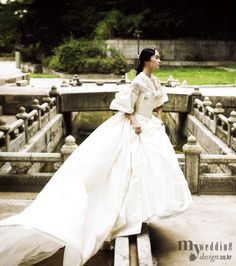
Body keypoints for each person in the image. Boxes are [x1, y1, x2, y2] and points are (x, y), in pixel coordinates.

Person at [0, 48, 193, 266]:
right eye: (156, 57)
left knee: (152, 169)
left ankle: (140, 212)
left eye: (159, 57)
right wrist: (135, 122)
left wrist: (157, 119)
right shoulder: (137, 82)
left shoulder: (155, 81)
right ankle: (123, 214)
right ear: (147, 60)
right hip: (135, 128)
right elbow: (125, 107)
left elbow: (159, 104)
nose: (160, 60)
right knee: (129, 169)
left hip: (151, 129)